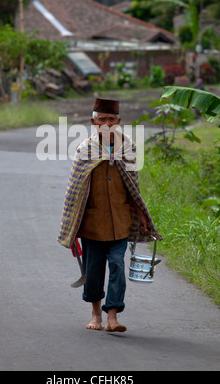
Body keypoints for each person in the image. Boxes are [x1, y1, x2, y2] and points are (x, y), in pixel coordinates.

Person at [57, 97, 162, 332]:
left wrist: (142, 215)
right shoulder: (85, 150)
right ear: (93, 122)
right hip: (92, 223)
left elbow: (133, 188)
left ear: (119, 121)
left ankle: (112, 316)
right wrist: (73, 225)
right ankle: (95, 314)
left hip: (120, 222)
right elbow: (75, 191)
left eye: (111, 119)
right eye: (101, 119)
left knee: (117, 264)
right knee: (93, 271)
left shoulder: (129, 148)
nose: (106, 123)